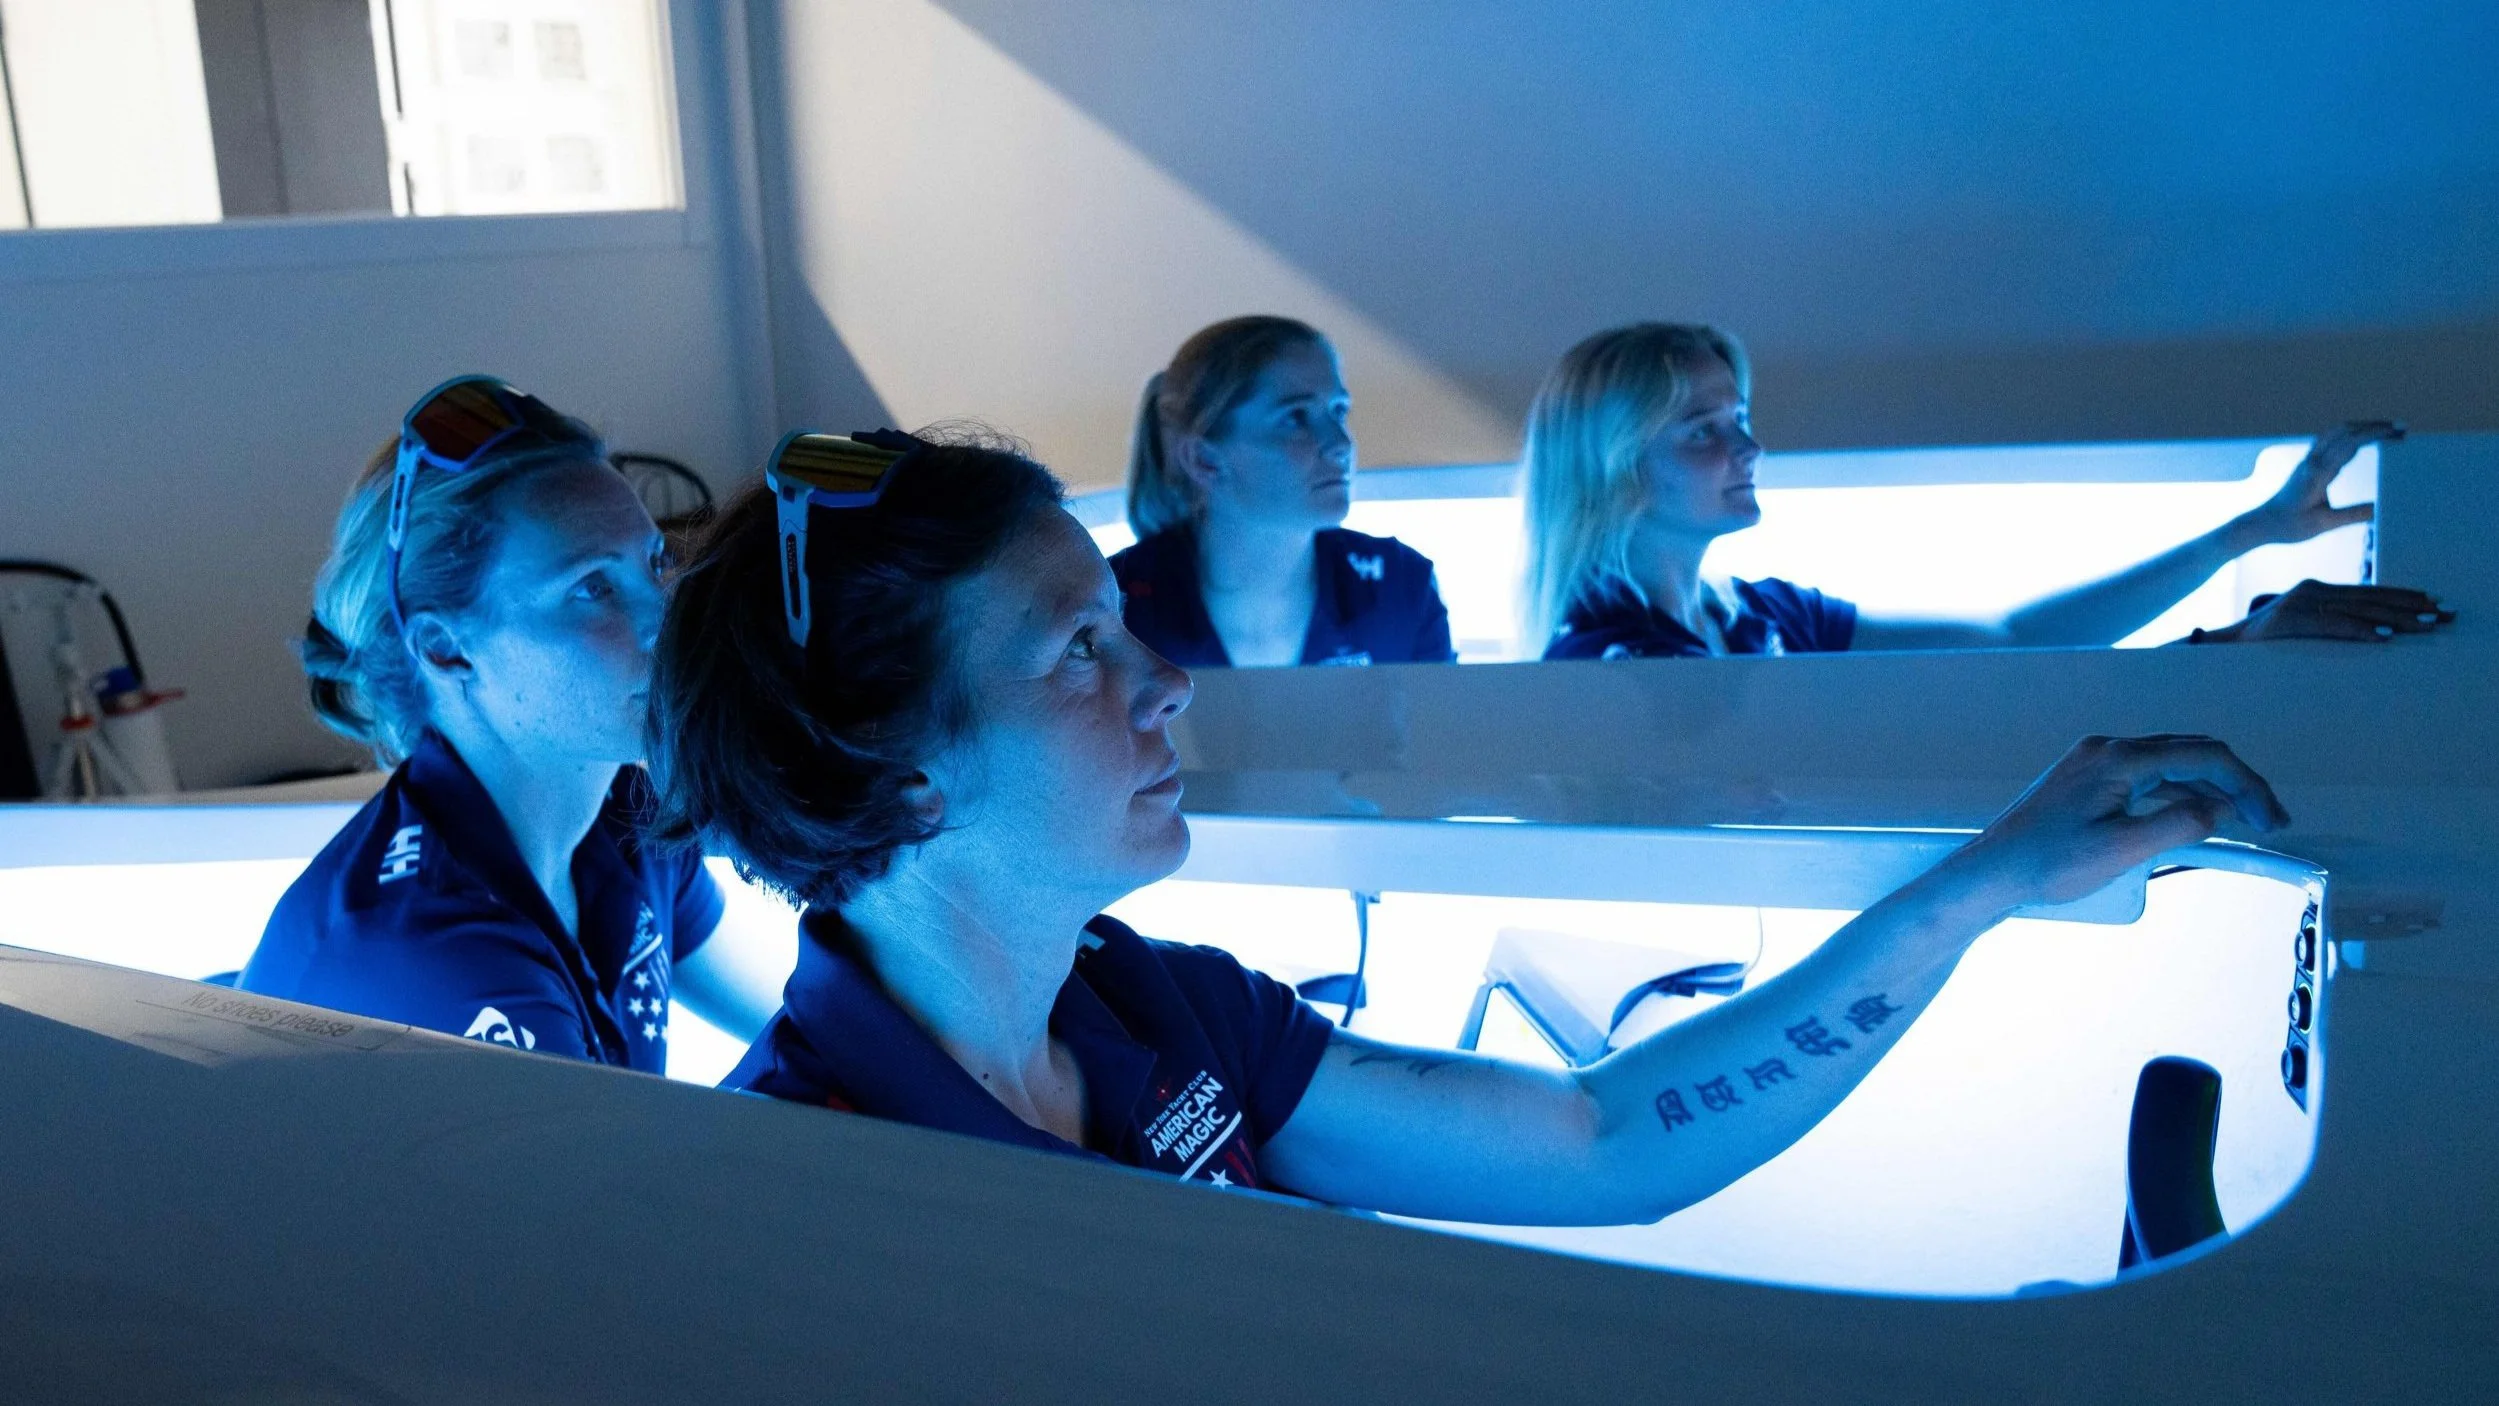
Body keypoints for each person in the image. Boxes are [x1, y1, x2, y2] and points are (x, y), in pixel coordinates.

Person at [648, 425, 2288, 1223]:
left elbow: (1601, 1141)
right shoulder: (786, 1195)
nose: (1162, 682)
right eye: (1076, 648)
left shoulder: (1164, 1009)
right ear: (899, 769)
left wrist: (1979, 885)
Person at [241, 376, 781, 1066]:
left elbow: (799, 1025)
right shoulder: (435, 955)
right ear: (446, 648)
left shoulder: (624, 806)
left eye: (655, 564)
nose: (667, 620)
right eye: (593, 587)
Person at [1523, 322, 2451, 661]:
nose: (1749, 447)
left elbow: (2012, 644)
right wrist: (2231, 647)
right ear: (1613, 470)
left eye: (1740, 418)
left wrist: (2247, 531)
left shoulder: (1764, 617)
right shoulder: (1610, 665)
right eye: (1702, 430)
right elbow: (1968, 747)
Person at [1114, 316, 1457, 668]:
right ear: (1204, 460)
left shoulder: (1401, 586)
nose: (1341, 444)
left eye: (1338, 411)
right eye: (1295, 417)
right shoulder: (1110, 606)